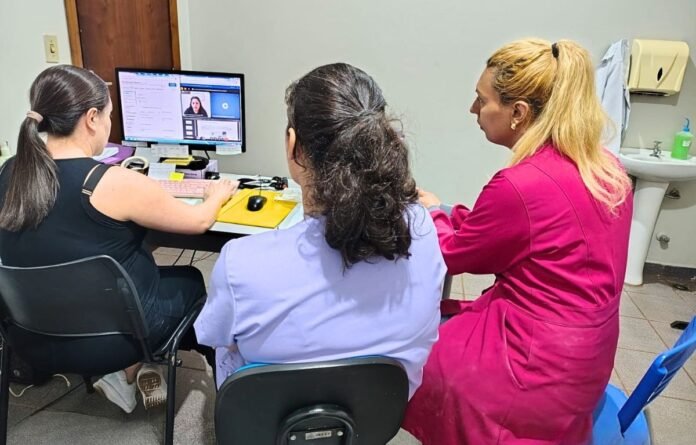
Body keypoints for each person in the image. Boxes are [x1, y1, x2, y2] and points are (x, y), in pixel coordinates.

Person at [403, 39, 634, 444]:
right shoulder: (605, 168)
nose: (473, 110)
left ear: (518, 113)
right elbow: (525, 235)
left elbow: (453, 255)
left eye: (481, 100)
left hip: (535, 374)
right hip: (586, 359)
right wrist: (452, 213)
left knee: (407, 355)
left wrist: (432, 213)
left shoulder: (521, 185)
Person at [193, 63, 446, 397]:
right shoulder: (423, 229)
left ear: (294, 146)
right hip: (375, 413)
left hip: (270, 416)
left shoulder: (240, 263)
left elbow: (215, 337)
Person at [0, 65, 237, 413]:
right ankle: (139, 364)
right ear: (92, 118)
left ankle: (125, 374)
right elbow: (200, 221)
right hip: (115, 340)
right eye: (110, 114)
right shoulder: (111, 182)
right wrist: (216, 192)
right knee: (190, 279)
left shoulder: (10, 172)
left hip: (34, 338)